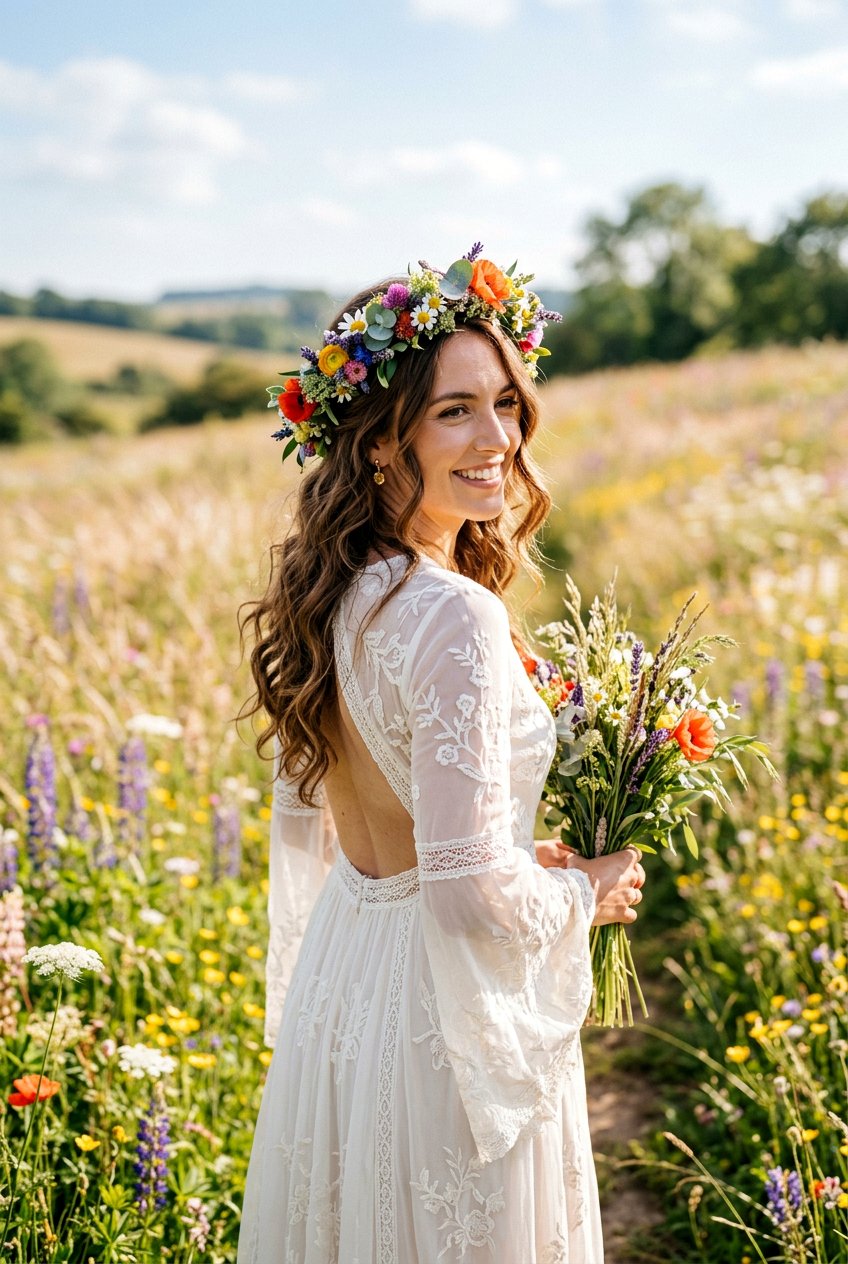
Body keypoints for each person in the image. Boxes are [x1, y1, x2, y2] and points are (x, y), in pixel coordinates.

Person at [237, 248, 646, 1263]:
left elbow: (396, 837)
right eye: (454, 411)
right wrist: (584, 890)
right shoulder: (454, 614)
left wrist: (511, 857)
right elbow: (462, 895)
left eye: (505, 404)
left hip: (347, 979)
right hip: (440, 1016)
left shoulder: (336, 591)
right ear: (381, 440)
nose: (497, 438)